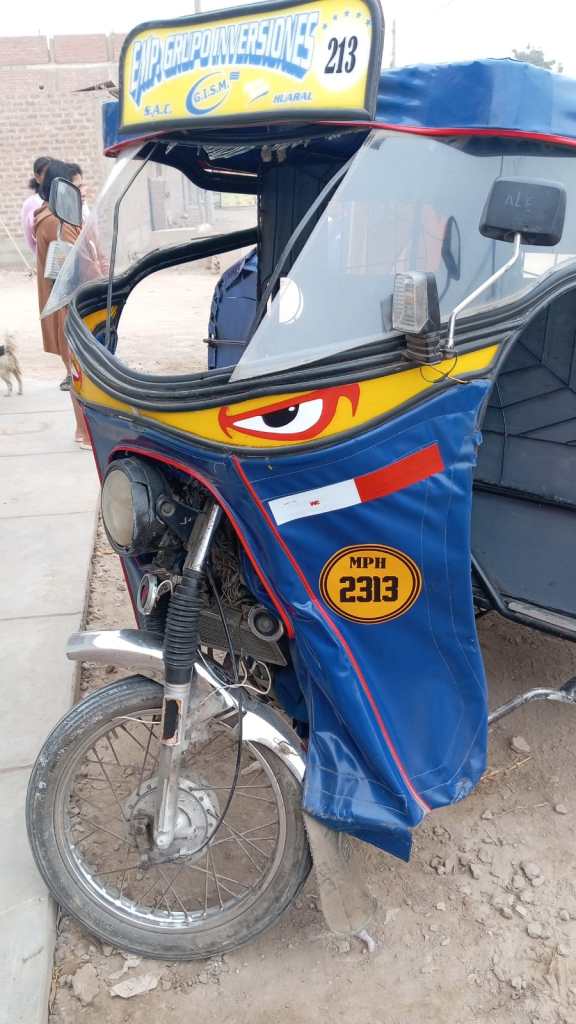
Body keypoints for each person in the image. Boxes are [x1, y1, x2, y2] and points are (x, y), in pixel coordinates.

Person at [34, 159, 91, 448]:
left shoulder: (56, 216)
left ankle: (85, 430)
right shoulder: (57, 221)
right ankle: (84, 432)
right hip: (71, 310)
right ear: (62, 190)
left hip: (68, 307)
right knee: (81, 372)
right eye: (78, 187)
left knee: (79, 370)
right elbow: (81, 266)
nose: (84, 191)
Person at [20, 156, 52, 255]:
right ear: (37, 177)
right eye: (47, 174)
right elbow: (29, 239)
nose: (51, 178)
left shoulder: (63, 197)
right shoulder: (29, 204)